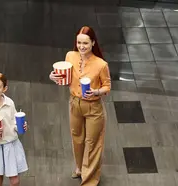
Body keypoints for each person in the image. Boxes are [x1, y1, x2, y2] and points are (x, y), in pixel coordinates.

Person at [48, 26, 112, 186]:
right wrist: (54, 77)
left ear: (93, 43)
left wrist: (96, 92)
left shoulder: (101, 64)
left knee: (92, 142)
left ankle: (89, 180)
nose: (81, 46)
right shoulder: (70, 56)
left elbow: (107, 86)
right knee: (77, 138)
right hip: (74, 103)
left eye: (85, 43)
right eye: (79, 43)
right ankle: (79, 168)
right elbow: (67, 78)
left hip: (93, 107)